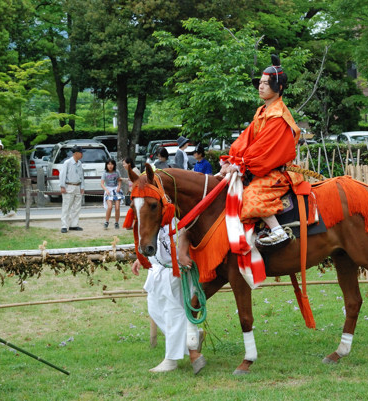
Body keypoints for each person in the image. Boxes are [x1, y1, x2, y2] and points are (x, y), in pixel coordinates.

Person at [219, 54, 301, 245]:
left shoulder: (279, 116)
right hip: (258, 167)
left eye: (266, 83)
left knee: (252, 194)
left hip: (273, 171)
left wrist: (241, 165)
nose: (261, 86)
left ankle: (277, 231)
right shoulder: (262, 111)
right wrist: (231, 159)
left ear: (278, 88)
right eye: (260, 83)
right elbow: (245, 139)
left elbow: (263, 151)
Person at [130, 223, 205, 374]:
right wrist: (144, 258)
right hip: (157, 267)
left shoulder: (174, 212)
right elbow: (155, 239)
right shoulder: (154, 212)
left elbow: (186, 233)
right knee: (154, 308)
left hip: (174, 269)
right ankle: (192, 336)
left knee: (173, 313)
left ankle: (171, 359)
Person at [59, 146, 85, 233]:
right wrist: (62, 186)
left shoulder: (79, 163)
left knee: (77, 207)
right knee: (67, 206)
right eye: (81, 153)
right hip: (68, 186)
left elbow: (81, 175)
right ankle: (64, 226)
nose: (82, 154)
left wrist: (82, 187)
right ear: (76, 153)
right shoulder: (67, 162)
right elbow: (62, 175)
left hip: (77, 186)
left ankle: (74, 224)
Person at [101, 159, 124, 229]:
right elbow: (102, 183)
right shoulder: (105, 173)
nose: (110, 166)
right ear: (106, 165)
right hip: (108, 190)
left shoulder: (117, 172)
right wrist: (106, 190)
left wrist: (119, 187)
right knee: (110, 207)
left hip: (116, 189)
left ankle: (116, 222)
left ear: (114, 165)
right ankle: (106, 221)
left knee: (117, 207)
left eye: (111, 164)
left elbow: (119, 180)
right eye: (108, 164)